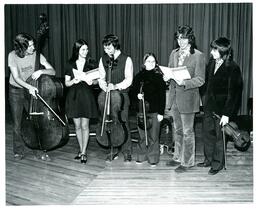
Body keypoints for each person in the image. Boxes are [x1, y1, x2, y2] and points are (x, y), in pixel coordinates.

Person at [197, 37, 243, 175]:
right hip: (209, 106)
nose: (211, 52)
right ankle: (208, 160)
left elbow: (234, 94)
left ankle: (217, 164)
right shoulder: (211, 63)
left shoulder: (233, 68)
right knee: (207, 134)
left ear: (223, 51)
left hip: (223, 110)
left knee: (219, 137)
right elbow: (206, 83)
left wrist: (227, 114)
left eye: (215, 49)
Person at [8, 33, 55, 160]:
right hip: (16, 91)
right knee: (17, 123)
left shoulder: (36, 54)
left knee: (36, 120)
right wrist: (29, 87)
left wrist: (41, 71)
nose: (33, 48)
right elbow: (17, 78)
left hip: (31, 90)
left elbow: (52, 71)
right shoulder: (12, 56)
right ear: (21, 48)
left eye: (33, 44)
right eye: (29, 46)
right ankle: (18, 150)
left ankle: (38, 150)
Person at [165, 25, 205, 173]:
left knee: (188, 132)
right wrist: (166, 76)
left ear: (190, 39)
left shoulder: (198, 56)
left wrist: (185, 82)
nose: (181, 41)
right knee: (177, 130)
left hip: (188, 98)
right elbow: (170, 70)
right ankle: (177, 157)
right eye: (179, 38)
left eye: (184, 38)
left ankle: (187, 162)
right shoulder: (173, 53)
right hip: (174, 97)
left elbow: (201, 79)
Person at [98, 34, 133, 162]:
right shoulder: (103, 59)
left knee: (123, 122)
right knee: (110, 122)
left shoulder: (126, 59)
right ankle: (113, 150)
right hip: (108, 95)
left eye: (109, 48)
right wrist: (104, 86)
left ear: (115, 45)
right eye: (105, 49)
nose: (106, 51)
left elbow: (129, 79)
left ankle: (127, 151)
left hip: (122, 96)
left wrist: (116, 86)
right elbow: (101, 77)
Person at [65, 39, 98, 164]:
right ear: (77, 50)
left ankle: (83, 152)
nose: (86, 51)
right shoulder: (70, 63)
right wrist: (74, 81)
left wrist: (92, 82)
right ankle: (80, 149)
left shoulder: (91, 63)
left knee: (85, 126)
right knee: (77, 126)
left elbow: (96, 81)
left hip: (86, 96)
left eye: (87, 49)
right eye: (83, 49)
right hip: (73, 96)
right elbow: (66, 83)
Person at [131, 53, 166, 166]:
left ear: (156, 64)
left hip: (155, 111)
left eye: (153, 61)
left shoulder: (159, 77)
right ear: (144, 63)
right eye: (148, 61)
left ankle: (153, 158)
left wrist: (161, 113)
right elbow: (132, 92)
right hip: (141, 111)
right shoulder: (138, 76)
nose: (151, 63)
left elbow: (162, 96)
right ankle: (141, 156)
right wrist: (137, 95)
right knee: (142, 135)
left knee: (154, 136)